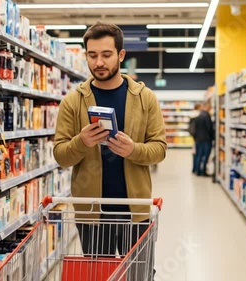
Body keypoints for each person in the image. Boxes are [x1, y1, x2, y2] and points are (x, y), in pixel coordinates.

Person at [53, 22, 167, 278]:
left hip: (135, 210)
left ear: (121, 55)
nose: (99, 62)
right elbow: (60, 155)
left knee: (139, 274)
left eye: (106, 54)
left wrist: (133, 150)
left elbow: (159, 149)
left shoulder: (145, 98)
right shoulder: (73, 100)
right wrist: (82, 141)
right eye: (92, 55)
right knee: (99, 276)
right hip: (92, 211)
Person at [192, 102, 214, 176]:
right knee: (205, 156)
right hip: (206, 139)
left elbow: (195, 128)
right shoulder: (207, 116)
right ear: (207, 107)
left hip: (198, 138)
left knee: (198, 155)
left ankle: (198, 171)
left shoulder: (199, 115)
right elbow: (209, 128)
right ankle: (203, 171)